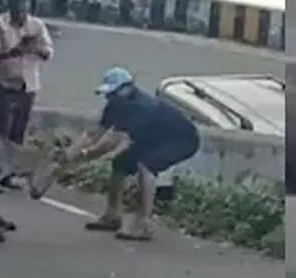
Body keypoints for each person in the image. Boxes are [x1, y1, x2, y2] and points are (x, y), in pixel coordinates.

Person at [63, 66, 201, 241]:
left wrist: (84, 156)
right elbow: (95, 132)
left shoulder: (140, 106)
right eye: (108, 93)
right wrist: (71, 152)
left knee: (146, 167)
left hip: (181, 140)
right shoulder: (115, 103)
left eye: (113, 93)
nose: (109, 97)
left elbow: (115, 142)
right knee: (119, 164)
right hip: (152, 136)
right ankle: (112, 216)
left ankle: (143, 224)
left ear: (128, 88)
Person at [0, 0, 54, 189]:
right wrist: (11, 52)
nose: (21, 16)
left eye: (25, 11)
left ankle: (8, 175)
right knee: (2, 131)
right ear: (10, 10)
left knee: (18, 132)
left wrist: (37, 49)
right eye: (18, 12)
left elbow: (49, 51)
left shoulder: (37, 25)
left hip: (28, 84)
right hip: (5, 82)